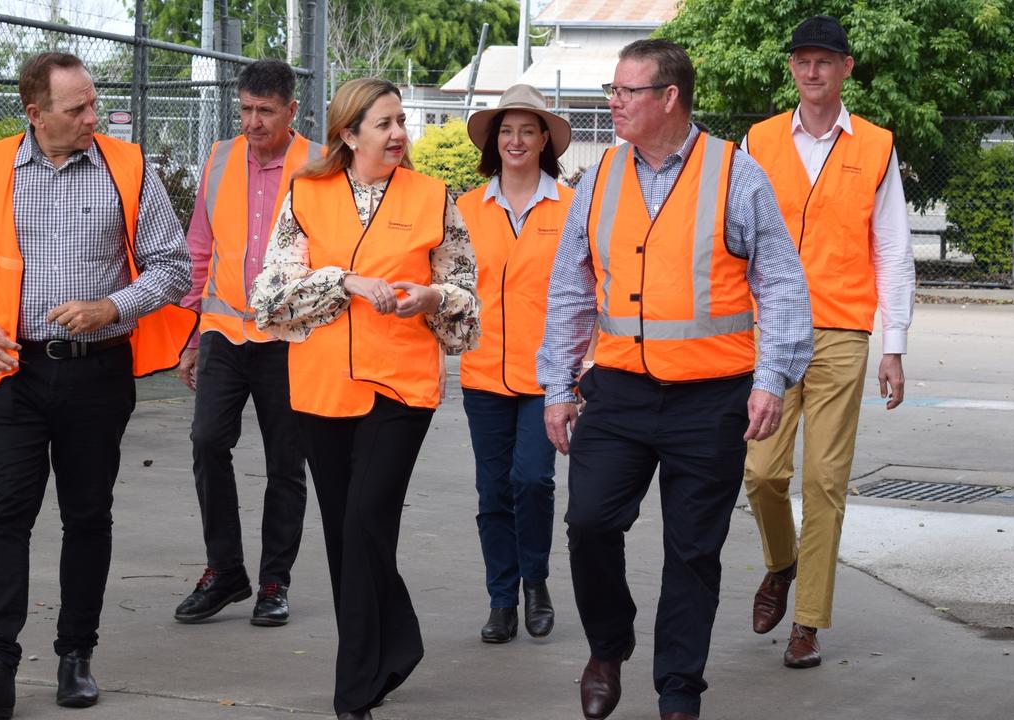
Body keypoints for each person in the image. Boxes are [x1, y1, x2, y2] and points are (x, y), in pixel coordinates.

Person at [0, 52, 194, 717]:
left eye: (94, 104)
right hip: (11, 371)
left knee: (87, 514)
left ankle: (75, 657)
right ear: (35, 114)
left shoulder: (128, 166)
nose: (93, 117)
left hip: (97, 371)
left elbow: (173, 268)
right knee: (4, 512)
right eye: (77, 109)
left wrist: (112, 307)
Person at [536, 39, 813, 720]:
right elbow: (571, 288)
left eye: (626, 91)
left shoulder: (736, 175)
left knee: (694, 552)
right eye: (612, 89)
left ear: (669, 98)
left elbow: (781, 285)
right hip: (620, 392)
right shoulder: (598, 176)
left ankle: (678, 691)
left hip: (712, 398)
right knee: (588, 522)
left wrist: (772, 379)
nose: (614, 102)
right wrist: (556, 385)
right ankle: (609, 645)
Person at [249, 78, 479, 720]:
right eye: (384, 123)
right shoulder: (306, 193)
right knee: (346, 535)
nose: (399, 133)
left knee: (364, 522)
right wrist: (344, 281)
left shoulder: (434, 198)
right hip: (321, 390)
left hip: (402, 389)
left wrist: (434, 297)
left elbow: (467, 302)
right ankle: (394, 642)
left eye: (401, 120)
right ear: (349, 135)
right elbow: (269, 299)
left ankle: (353, 692)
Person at [741, 14, 914, 669]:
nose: (812, 71)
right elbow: (738, 235)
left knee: (824, 481)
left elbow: (893, 246)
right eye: (802, 61)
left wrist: (892, 343)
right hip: (772, 331)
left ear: (846, 69)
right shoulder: (758, 142)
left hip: (843, 328)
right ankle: (781, 563)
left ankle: (807, 623)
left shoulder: (874, 146)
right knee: (760, 473)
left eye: (825, 61)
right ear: (792, 69)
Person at [172, 59, 322, 628]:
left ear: (291, 110)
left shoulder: (319, 165)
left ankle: (274, 582)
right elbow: (199, 253)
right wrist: (191, 336)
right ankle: (225, 570)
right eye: (245, 110)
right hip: (223, 334)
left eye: (265, 111)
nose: (253, 122)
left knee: (287, 463)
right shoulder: (219, 159)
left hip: (290, 340)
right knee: (208, 441)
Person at [456, 84, 574, 644]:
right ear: (494, 140)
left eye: (528, 130)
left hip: (548, 376)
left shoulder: (573, 207)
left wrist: (581, 366)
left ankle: (536, 581)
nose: (516, 140)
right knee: (492, 490)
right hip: (482, 374)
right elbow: (450, 285)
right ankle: (501, 597)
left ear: (545, 138)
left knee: (532, 480)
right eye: (507, 130)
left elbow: (590, 288)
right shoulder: (465, 210)